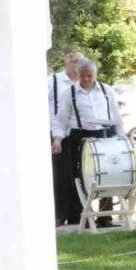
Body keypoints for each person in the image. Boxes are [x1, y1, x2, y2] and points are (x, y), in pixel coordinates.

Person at [51, 58, 126, 228]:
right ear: (78, 75)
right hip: (80, 136)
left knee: (108, 173)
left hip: (105, 134)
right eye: (83, 76)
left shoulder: (107, 91)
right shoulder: (69, 93)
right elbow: (61, 120)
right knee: (80, 176)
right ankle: (82, 216)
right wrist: (58, 139)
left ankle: (105, 217)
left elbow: (116, 116)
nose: (86, 79)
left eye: (90, 76)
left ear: (96, 75)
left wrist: (123, 138)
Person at [49, 51, 84, 225]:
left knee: (78, 174)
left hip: (77, 133)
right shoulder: (53, 82)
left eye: (81, 62)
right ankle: (59, 214)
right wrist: (56, 135)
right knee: (60, 175)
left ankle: (76, 214)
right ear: (66, 64)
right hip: (56, 133)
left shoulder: (83, 83)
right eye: (75, 62)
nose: (78, 65)